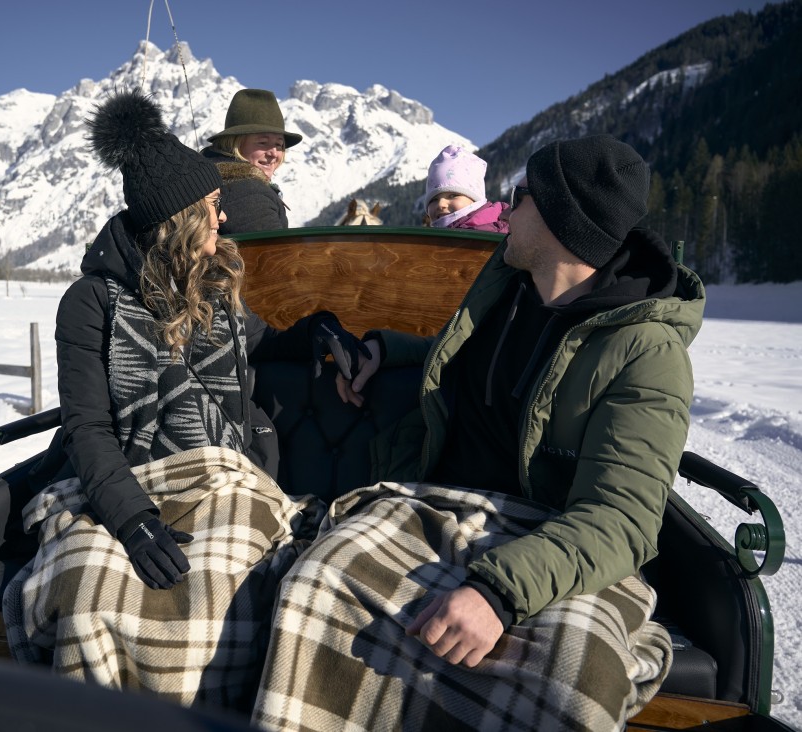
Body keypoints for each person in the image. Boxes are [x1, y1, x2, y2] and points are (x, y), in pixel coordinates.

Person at [253, 134, 704, 731]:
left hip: (547, 536)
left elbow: (621, 517)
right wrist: (383, 348)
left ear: (561, 223)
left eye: (521, 196)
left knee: (572, 684)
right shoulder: (509, 290)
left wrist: (498, 594)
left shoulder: (647, 352)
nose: (507, 207)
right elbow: (450, 354)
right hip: (438, 505)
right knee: (314, 582)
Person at [3, 89, 365, 713]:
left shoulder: (216, 284)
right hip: (128, 485)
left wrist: (323, 331)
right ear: (178, 220)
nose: (224, 222)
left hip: (225, 479)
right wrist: (134, 522)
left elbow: (264, 343)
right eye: (213, 208)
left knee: (234, 591)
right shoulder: (91, 303)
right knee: (89, 593)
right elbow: (89, 429)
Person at [201, 88, 302, 234]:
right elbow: (275, 252)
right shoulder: (248, 191)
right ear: (235, 144)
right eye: (263, 143)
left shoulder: (218, 177)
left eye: (279, 145)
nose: (273, 153)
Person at [420, 144, 508, 232]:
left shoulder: (492, 233)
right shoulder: (433, 240)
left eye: (452, 195)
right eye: (434, 199)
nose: (441, 204)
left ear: (475, 201)